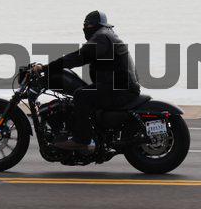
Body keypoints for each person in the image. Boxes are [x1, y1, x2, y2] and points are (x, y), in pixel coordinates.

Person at [32, 10, 140, 150]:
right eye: (84, 24)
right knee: (82, 93)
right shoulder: (106, 35)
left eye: (87, 24)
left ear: (95, 25)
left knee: (80, 95)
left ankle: (82, 140)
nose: (85, 27)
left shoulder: (101, 37)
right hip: (118, 86)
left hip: (120, 90)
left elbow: (78, 57)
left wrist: (46, 68)